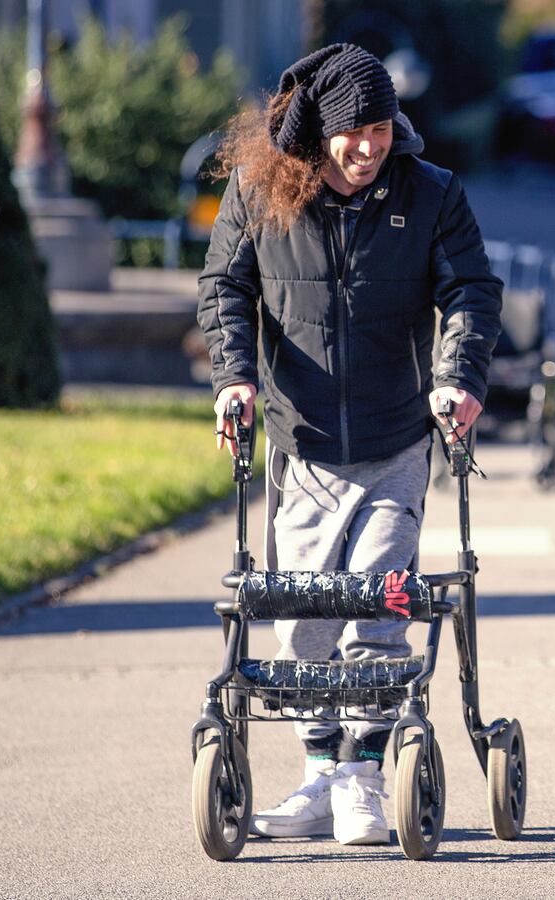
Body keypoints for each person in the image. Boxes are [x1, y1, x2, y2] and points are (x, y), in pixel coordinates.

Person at [196, 43, 501, 846]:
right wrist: (234, 376)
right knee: (301, 622)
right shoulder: (262, 195)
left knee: (376, 603)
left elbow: (471, 289)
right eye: (352, 134)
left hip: (396, 437)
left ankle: (365, 776)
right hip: (302, 446)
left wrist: (458, 375)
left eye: (381, 130)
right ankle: (319, 773)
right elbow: (224, 285)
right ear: (317, 136)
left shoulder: (430, 194)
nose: (369, 148)